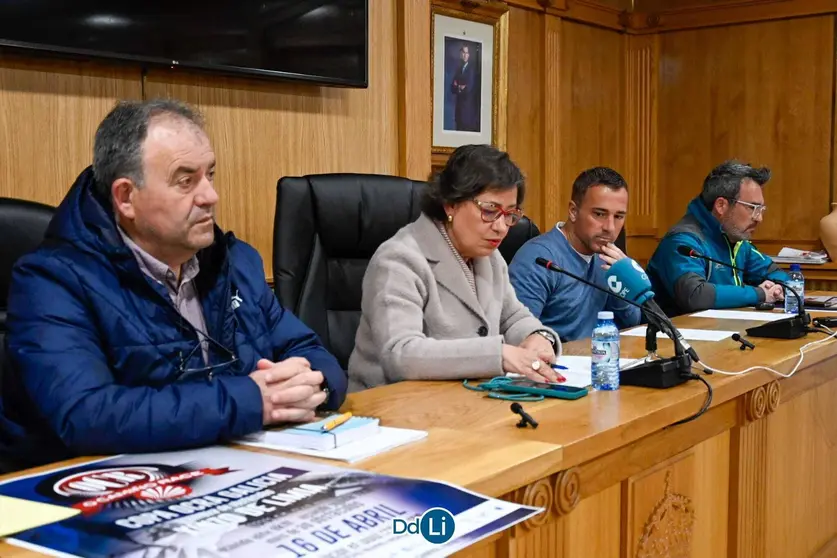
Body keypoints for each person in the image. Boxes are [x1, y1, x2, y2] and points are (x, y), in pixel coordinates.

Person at [0, 99, 347, 469]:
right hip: (90, 496)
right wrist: (253, 401)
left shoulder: (236, 262)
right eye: (186, 181)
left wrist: (313, 385)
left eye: (209, 174)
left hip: (227, 472)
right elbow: (88, 415)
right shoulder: (52, 280)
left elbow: (311, 350)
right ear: (126, 197)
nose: (210, 196)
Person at [348, 144, 562, 392]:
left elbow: (513, 317)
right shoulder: (399, 258)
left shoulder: (489, 257)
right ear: (450, 204)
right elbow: (401, 354)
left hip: (465, 400)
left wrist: (538, 337)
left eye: (510, 214)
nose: (502, 227)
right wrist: (498, 355)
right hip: (391, 410)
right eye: (490, 211)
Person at [508, 167, 641, 342]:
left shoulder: (608, 257)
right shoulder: (538, 259)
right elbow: (519, 336)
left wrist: (624, 280)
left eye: (618, 216)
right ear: (573, 211)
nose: (609, 227)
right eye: (599, 214)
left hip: (600, 360)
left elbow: (632, 322)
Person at [647, 160, 788, 316]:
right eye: (753, 208)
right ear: (721, 205)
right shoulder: (683, 241)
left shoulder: (737, 240)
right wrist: (759, 294)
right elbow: (694, 295)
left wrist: (777, 288)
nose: (759, 218)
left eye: (761, 209)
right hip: (681, 335)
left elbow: (777, 274)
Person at [450, 44, 479, 132]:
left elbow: (468, 89)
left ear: (469, 55)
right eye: (463, 52)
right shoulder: (458, 69)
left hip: (468, 112)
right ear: (460, 54)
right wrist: (460, 87)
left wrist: (457, 86)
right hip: (459, 111)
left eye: (466, 53)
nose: (464, 55)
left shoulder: (472, 70)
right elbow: (452, 88)